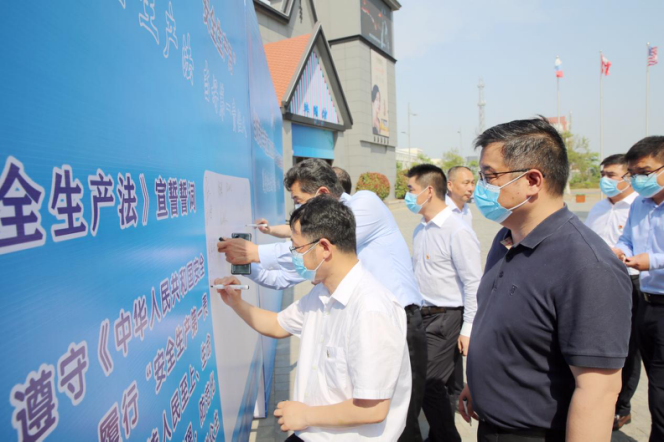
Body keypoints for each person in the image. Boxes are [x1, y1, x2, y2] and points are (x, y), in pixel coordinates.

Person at [217, 158, 427, 442]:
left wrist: (305, 415)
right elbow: (278, 323)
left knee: (408, 426)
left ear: (325, 247)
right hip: (315, 431)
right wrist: (235, 302)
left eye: (296, 249)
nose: (294, 256)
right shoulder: (321, 291)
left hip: (343, 431)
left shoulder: (371, 308)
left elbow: (373, 408)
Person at [460, 117, 632, 442]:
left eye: (489, 177)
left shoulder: (587, 265)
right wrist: (479, 384)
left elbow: (597, 391)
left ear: (532, 180)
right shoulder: (505, 239)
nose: (480, 188)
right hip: (491, 424)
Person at [406, 164, 481, 442]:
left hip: (446, 318)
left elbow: (473, 282)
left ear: (428, 191)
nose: (407, 196)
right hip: (423, 315)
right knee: (440, 385)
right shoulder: (420, 230)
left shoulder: (457, 230)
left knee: (425, 382)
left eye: (411, 189)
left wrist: (468, 328)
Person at [585, 154, 641, 431]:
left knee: (628, 346)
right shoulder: (597, 208)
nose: (605, 180)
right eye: (602, 174)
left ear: (628, 178)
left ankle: (622, 407)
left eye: (611, 175)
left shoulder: (638, 207)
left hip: (629, 282)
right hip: (596, 283)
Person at [613, 136, 664, 442]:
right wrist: (621, 251)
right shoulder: (640, 205)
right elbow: (627, 240)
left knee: (661, 387)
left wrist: (652, 261)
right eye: (633, 174)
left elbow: (652, 256)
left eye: (645, 172)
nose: (638, 180)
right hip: (645, 302)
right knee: (655, 379)